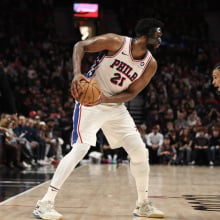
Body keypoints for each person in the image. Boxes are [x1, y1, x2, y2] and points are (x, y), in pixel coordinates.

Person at [33, 18, 165, 219]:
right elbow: (81, 45)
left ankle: (143, 204)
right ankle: (45, 203)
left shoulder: (150, 64)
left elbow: (131, 93)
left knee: (140, 151)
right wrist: (77, 74)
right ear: (144, 36)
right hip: (90, 103)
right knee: (81, 149)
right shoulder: (116, 42)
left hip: (115, 107)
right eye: (157, 36)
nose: (160, 41)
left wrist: (108, 98)